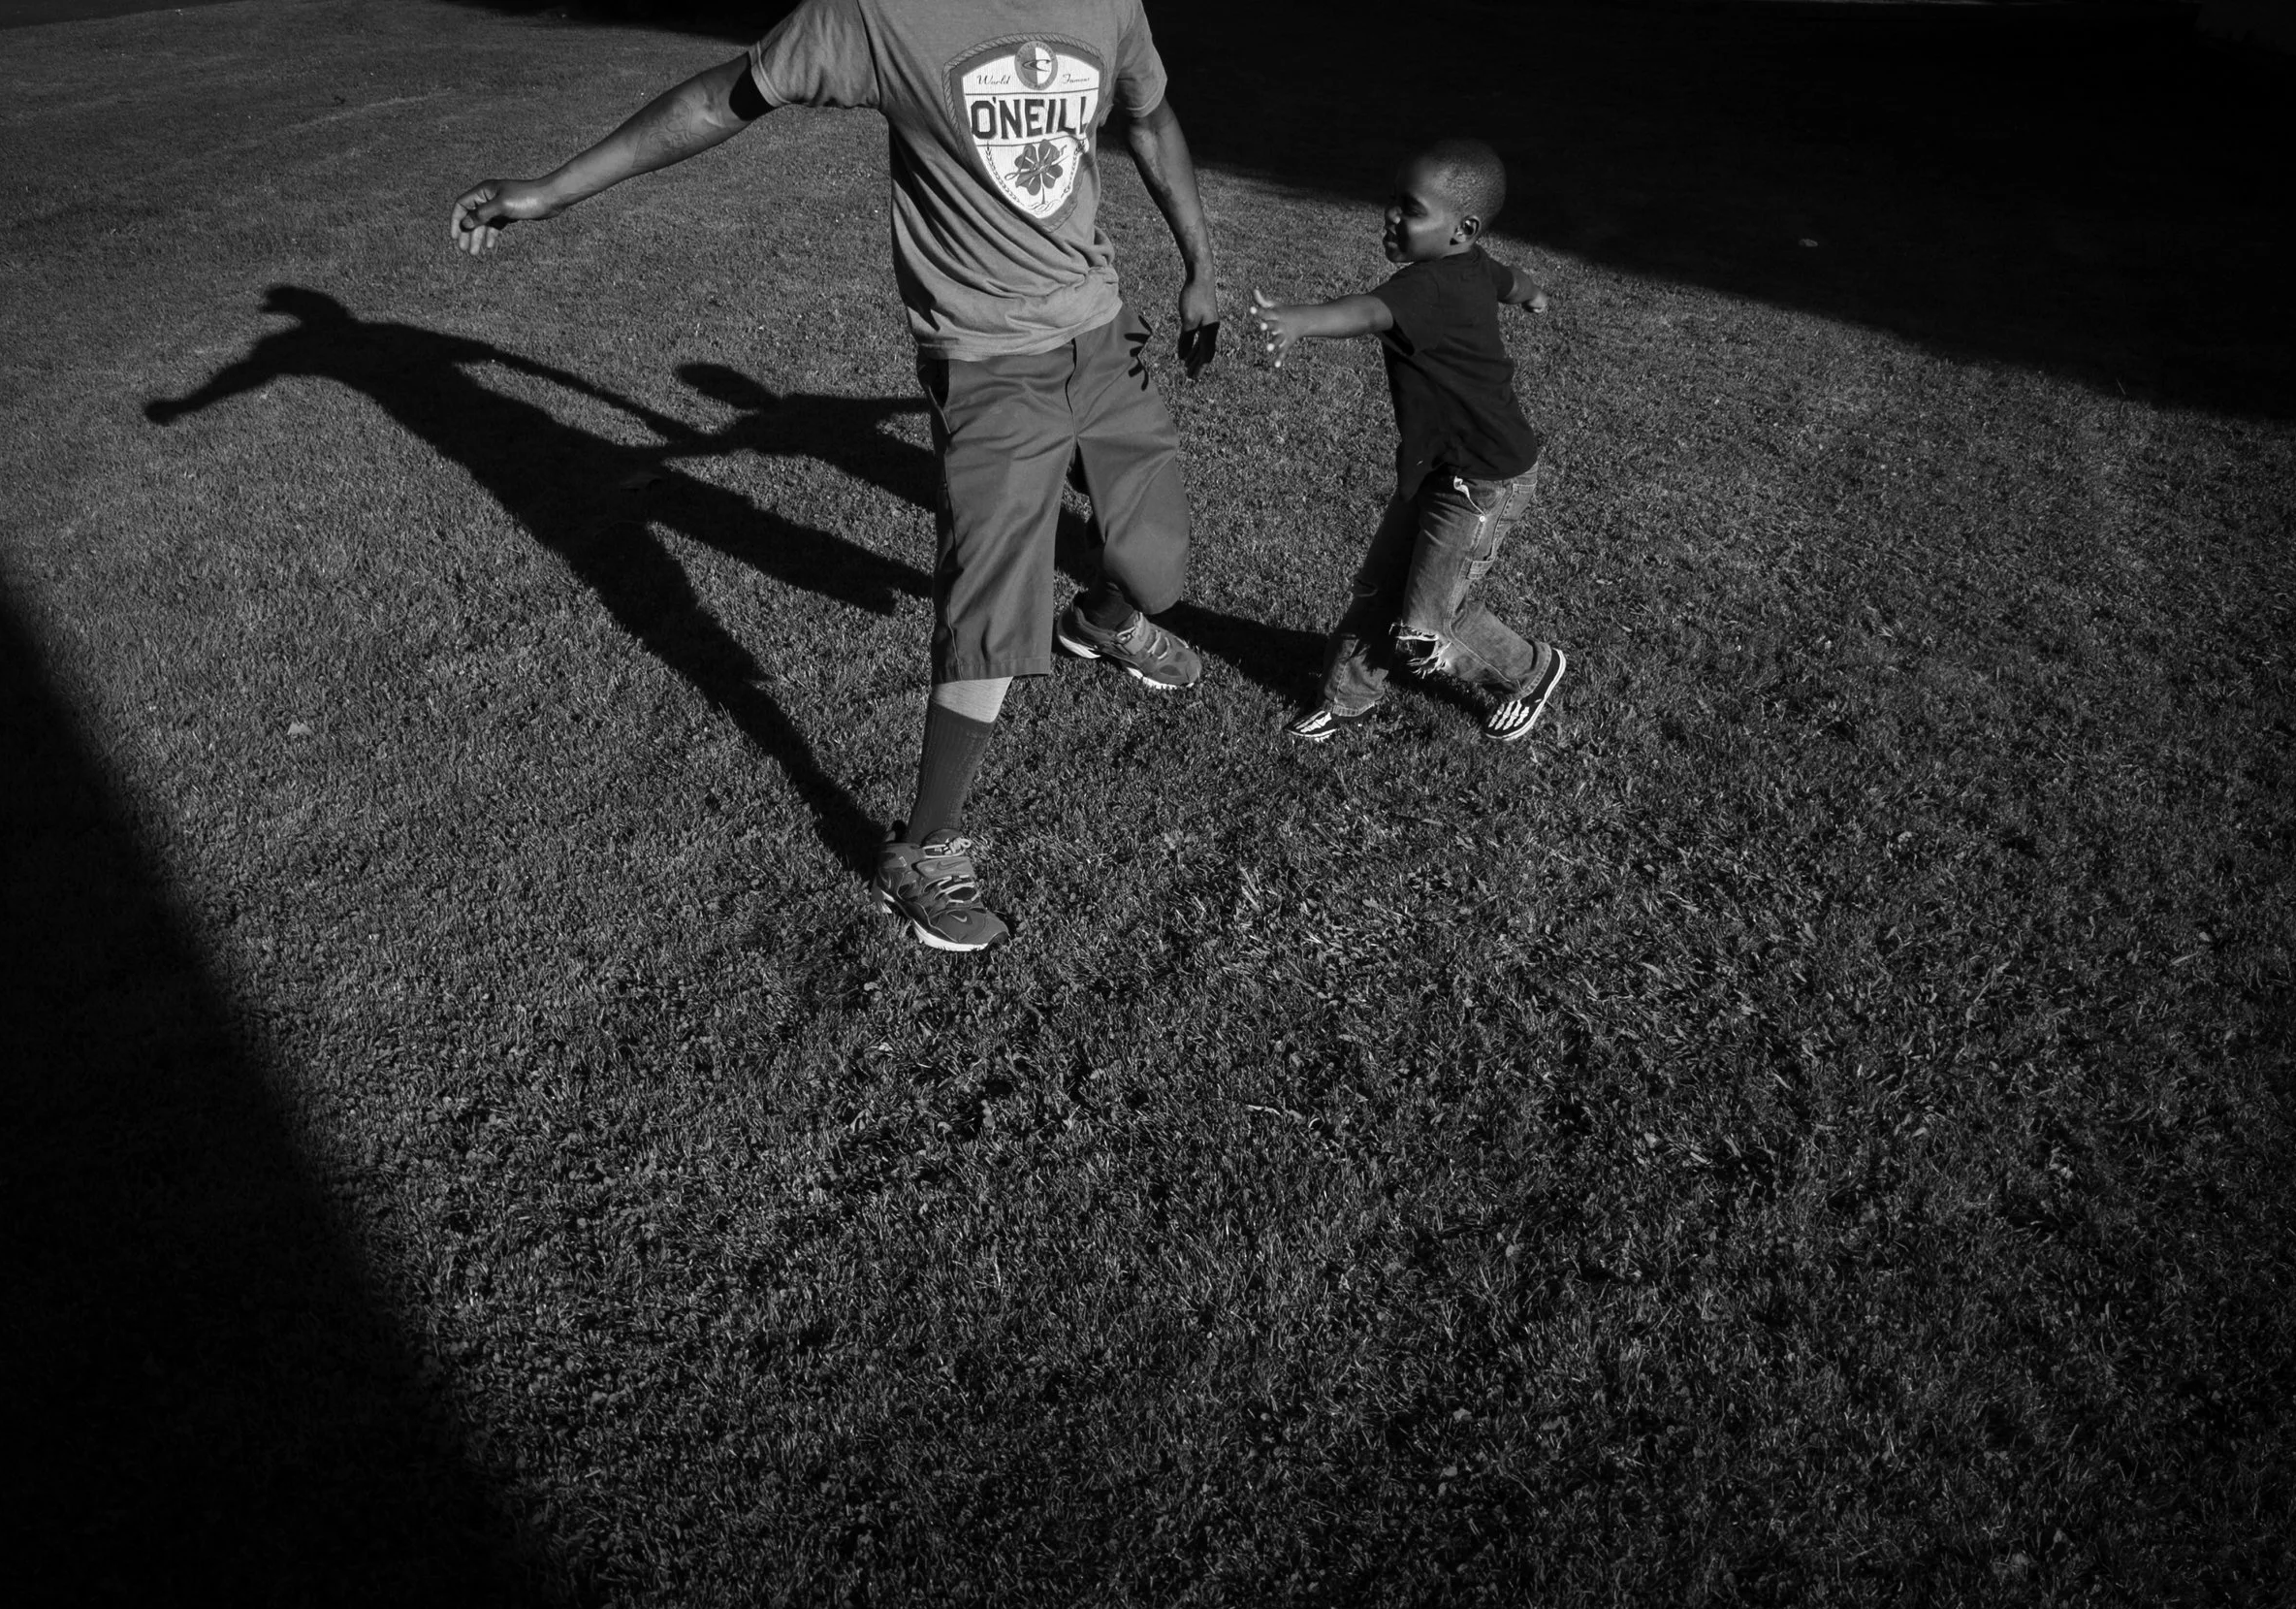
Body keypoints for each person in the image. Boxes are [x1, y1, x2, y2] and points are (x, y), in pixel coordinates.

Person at [451, 0, 1221, 953]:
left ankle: (1102, 621)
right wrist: (552, 190)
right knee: (991, 611)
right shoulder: (881, 13)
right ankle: (923, 850)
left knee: (1156, 568)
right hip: (986, 362)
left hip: (1101, 333)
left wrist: (1199, 263)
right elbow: (722, 97)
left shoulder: (1106, 4)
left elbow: (1150, 116)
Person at [1248, 138, 1567, 747]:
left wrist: (1301, 320)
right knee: (1379, 587)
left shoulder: (1428, 288)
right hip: (1434, 466)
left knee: (1427, 625)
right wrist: (1534, 295)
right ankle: (1346, 698)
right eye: (1394, 200)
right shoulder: (1471, 265)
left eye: (1412, 209)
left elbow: (1369, 312)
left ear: (1463, 230)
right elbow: (1511, 281)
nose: (1392, 215)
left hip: (1482, 479)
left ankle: (1529, 670)